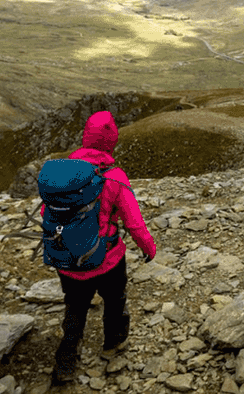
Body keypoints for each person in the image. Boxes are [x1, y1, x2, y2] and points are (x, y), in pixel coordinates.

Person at [47, 110, 156, 387]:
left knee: (75, 309)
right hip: (108, 259)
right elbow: (134, 222)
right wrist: (149, 248)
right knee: (115, 300)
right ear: (111, 141)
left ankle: (66, 362)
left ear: (86, 137)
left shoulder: (62, 174)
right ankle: (113, 343)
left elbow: (49, 216)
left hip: (68, 260)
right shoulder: (115, 176)